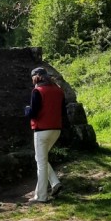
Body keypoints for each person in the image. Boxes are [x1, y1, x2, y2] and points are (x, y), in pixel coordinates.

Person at [24, 67, 65, 204]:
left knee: (41, 163)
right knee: (41, 159)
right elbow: (63, 112)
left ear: (37, 77)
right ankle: (54, 183)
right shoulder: (59, 90)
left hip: (42, 130)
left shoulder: (37, 91)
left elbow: (33, 113)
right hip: (56, 129)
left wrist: (27, 111)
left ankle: (41, 196)